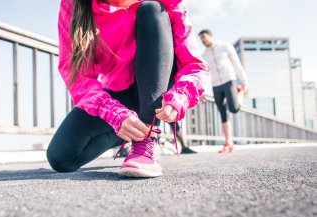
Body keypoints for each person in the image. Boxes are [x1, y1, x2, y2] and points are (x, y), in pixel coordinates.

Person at [46, 0, 210, 178]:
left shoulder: (169, 4)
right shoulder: (74, 4)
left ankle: (146, 140)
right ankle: (127, 132)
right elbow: (76, 75)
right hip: (119, 92)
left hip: (157, 89)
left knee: (152, 8)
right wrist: (114, 114)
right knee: (62, 157)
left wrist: (182, 96)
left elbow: (194, 66)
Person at [198, 29, 248, 153]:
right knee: (223, 115)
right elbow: (203, 75)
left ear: (210, 35)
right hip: (216, 85)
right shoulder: (204, 56)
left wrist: (244, 80)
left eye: (204, 37)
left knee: (234, 109)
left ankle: (240, 91)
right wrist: (202, 92)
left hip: (229, 80)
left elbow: (236, 63)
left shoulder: (225, 47)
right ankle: (228, 143)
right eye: (201, 39)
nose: (203, 40)